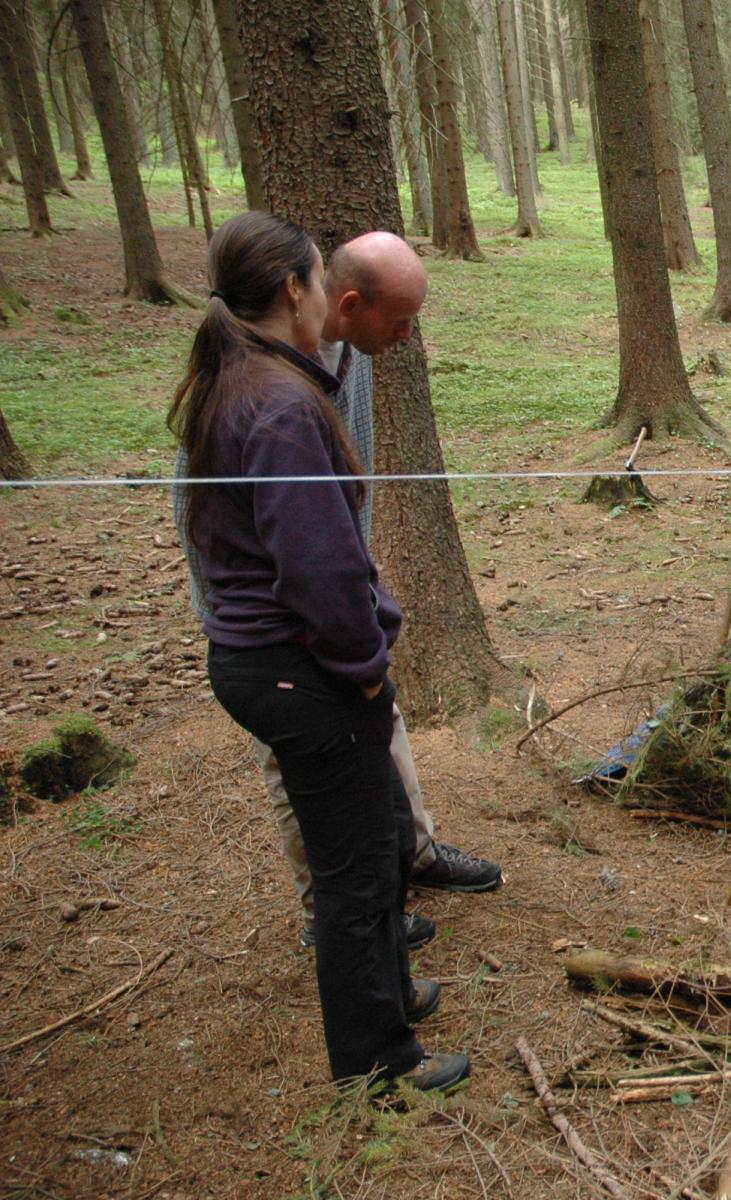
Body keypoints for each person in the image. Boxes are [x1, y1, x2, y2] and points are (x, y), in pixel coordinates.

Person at [171, 211, 467, 1093]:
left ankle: (391, 995)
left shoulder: (251, 381)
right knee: (354, 872)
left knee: (379, 840)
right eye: (315, 277)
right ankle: (378, 1066)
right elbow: (321, 571)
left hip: (281, 661)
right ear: (295, 289)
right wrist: (366, 669)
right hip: (298, 668)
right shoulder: (279, 407)